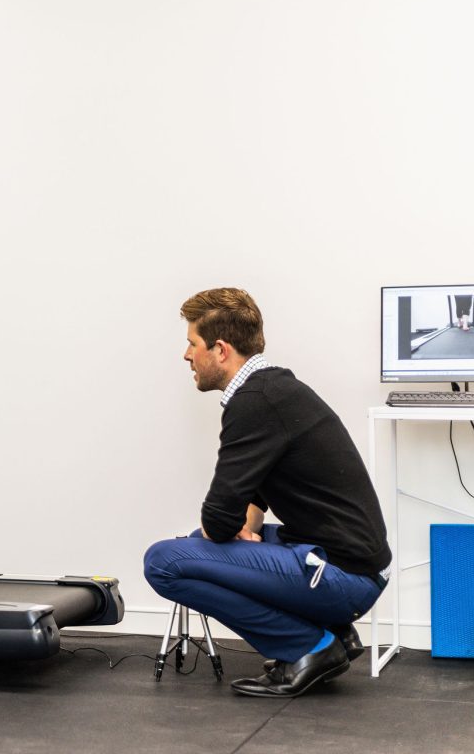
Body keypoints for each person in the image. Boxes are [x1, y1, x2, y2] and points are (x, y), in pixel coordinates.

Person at [143, 288, 391, 697]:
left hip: (346, 576)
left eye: (192, 343)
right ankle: (335, 633)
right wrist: (247, 525)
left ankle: (311, 647)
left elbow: (219, 519)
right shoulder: (272, 389)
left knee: (163, 562)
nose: (186, 355)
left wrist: (229, 528)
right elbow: (256, 491)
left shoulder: (254, 401)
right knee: (192, 546)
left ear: (220, 350)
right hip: (346, 562)